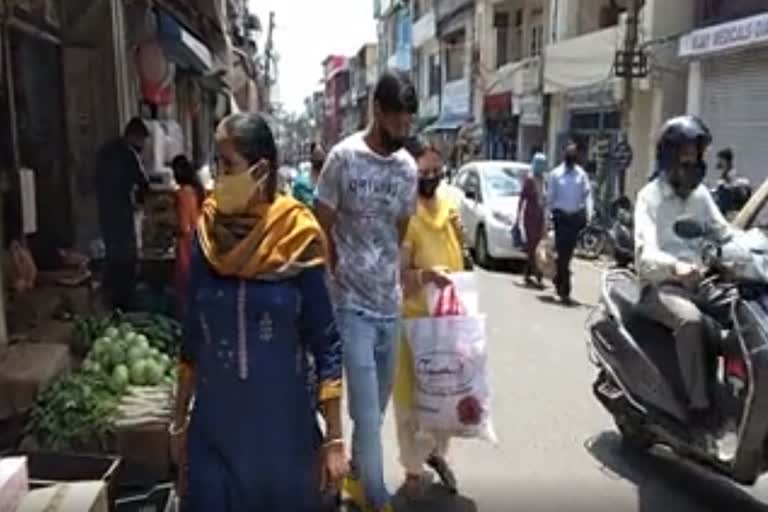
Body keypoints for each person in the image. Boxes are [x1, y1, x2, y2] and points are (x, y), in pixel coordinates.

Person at [169, 113, 347, 511]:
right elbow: (192, 339)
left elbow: (326, 341)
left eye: (227, 165)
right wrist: (179, 420)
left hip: (284, 439)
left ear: (260, 169)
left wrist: (334, 437)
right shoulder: (206, 236)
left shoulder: (297, 237)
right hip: (215, 433)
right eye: (215, 163)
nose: (216, 177)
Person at [315, 69, 419, 512]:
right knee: (366, 417)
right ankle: (379, 500)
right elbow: (321, 226)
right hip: (351, 307)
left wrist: (387, 278)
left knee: (374, 413)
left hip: (388, 307)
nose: (404, 129)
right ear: (377, 111)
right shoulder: (343, 158)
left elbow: (398, 232)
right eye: (398, 120)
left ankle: (355, 482)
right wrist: (337, 279)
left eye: (409, 121)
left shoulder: (407, 168)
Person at [635, 115, 731, 433]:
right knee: (690, 321)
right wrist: (674, 267)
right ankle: (700, 406)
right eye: (686, 154)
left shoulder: (702, 196)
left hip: (702, 281)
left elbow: (725, 234)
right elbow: (644, 255)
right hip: (662, 287)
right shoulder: (650, 198)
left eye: (697, 154)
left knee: (744, 310)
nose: (693, 161)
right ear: (670, 156)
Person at [393, 137, 460, 501]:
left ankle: (434, 453)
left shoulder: (449, 207)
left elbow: (460, 258)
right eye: (424, 172)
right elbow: (400, 278)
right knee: (410, 403)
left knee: (446, 396)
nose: (431, 178)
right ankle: (413, 470)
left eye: (436, 171)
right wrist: (425, 276)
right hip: (414, 325)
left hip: (447, 321)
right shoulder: (406, 216)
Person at [94, 117, 150, 310]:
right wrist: (142, 203)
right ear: (134, 136)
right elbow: (143, 183)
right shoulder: (129, 154)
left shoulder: (104, 151)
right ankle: (125, 298)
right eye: (142, 141)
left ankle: (111, 296)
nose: (142, 145)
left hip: (106, 209)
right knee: (127, 253)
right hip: (122, 209)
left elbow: (94, 179)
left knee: (113, 249)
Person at [547, 141, 592, 305]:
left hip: (574, 219)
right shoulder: (556, 174)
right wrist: (547, 218)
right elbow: (550, 198)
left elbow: (587, 195)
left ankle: (559, 280)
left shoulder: (581, 175)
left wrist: (588, 214)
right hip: (560, 218)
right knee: (562, 254)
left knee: (567, 254)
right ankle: (564, 288)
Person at [171, 155, 204, 317]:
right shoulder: (197, 190)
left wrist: (170, 228)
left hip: (185, 245)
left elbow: (184, 226)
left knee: (184, 289)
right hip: (197, 242)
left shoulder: (182, 193)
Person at [517, 152, 548, 287]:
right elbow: (522, 198)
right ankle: (537, 275)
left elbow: (545, 199)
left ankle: (529, 273)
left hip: (540, 216)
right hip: (530, 217)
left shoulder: (544, 180)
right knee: (532, 246)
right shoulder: (529, 180)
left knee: (539, 246)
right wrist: (518, 216)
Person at [293, 143, 326, 207]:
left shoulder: (330, 182)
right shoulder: (301, 183)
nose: (320, 159)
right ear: (311, 157)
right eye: (317, 155)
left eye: (322, 156)